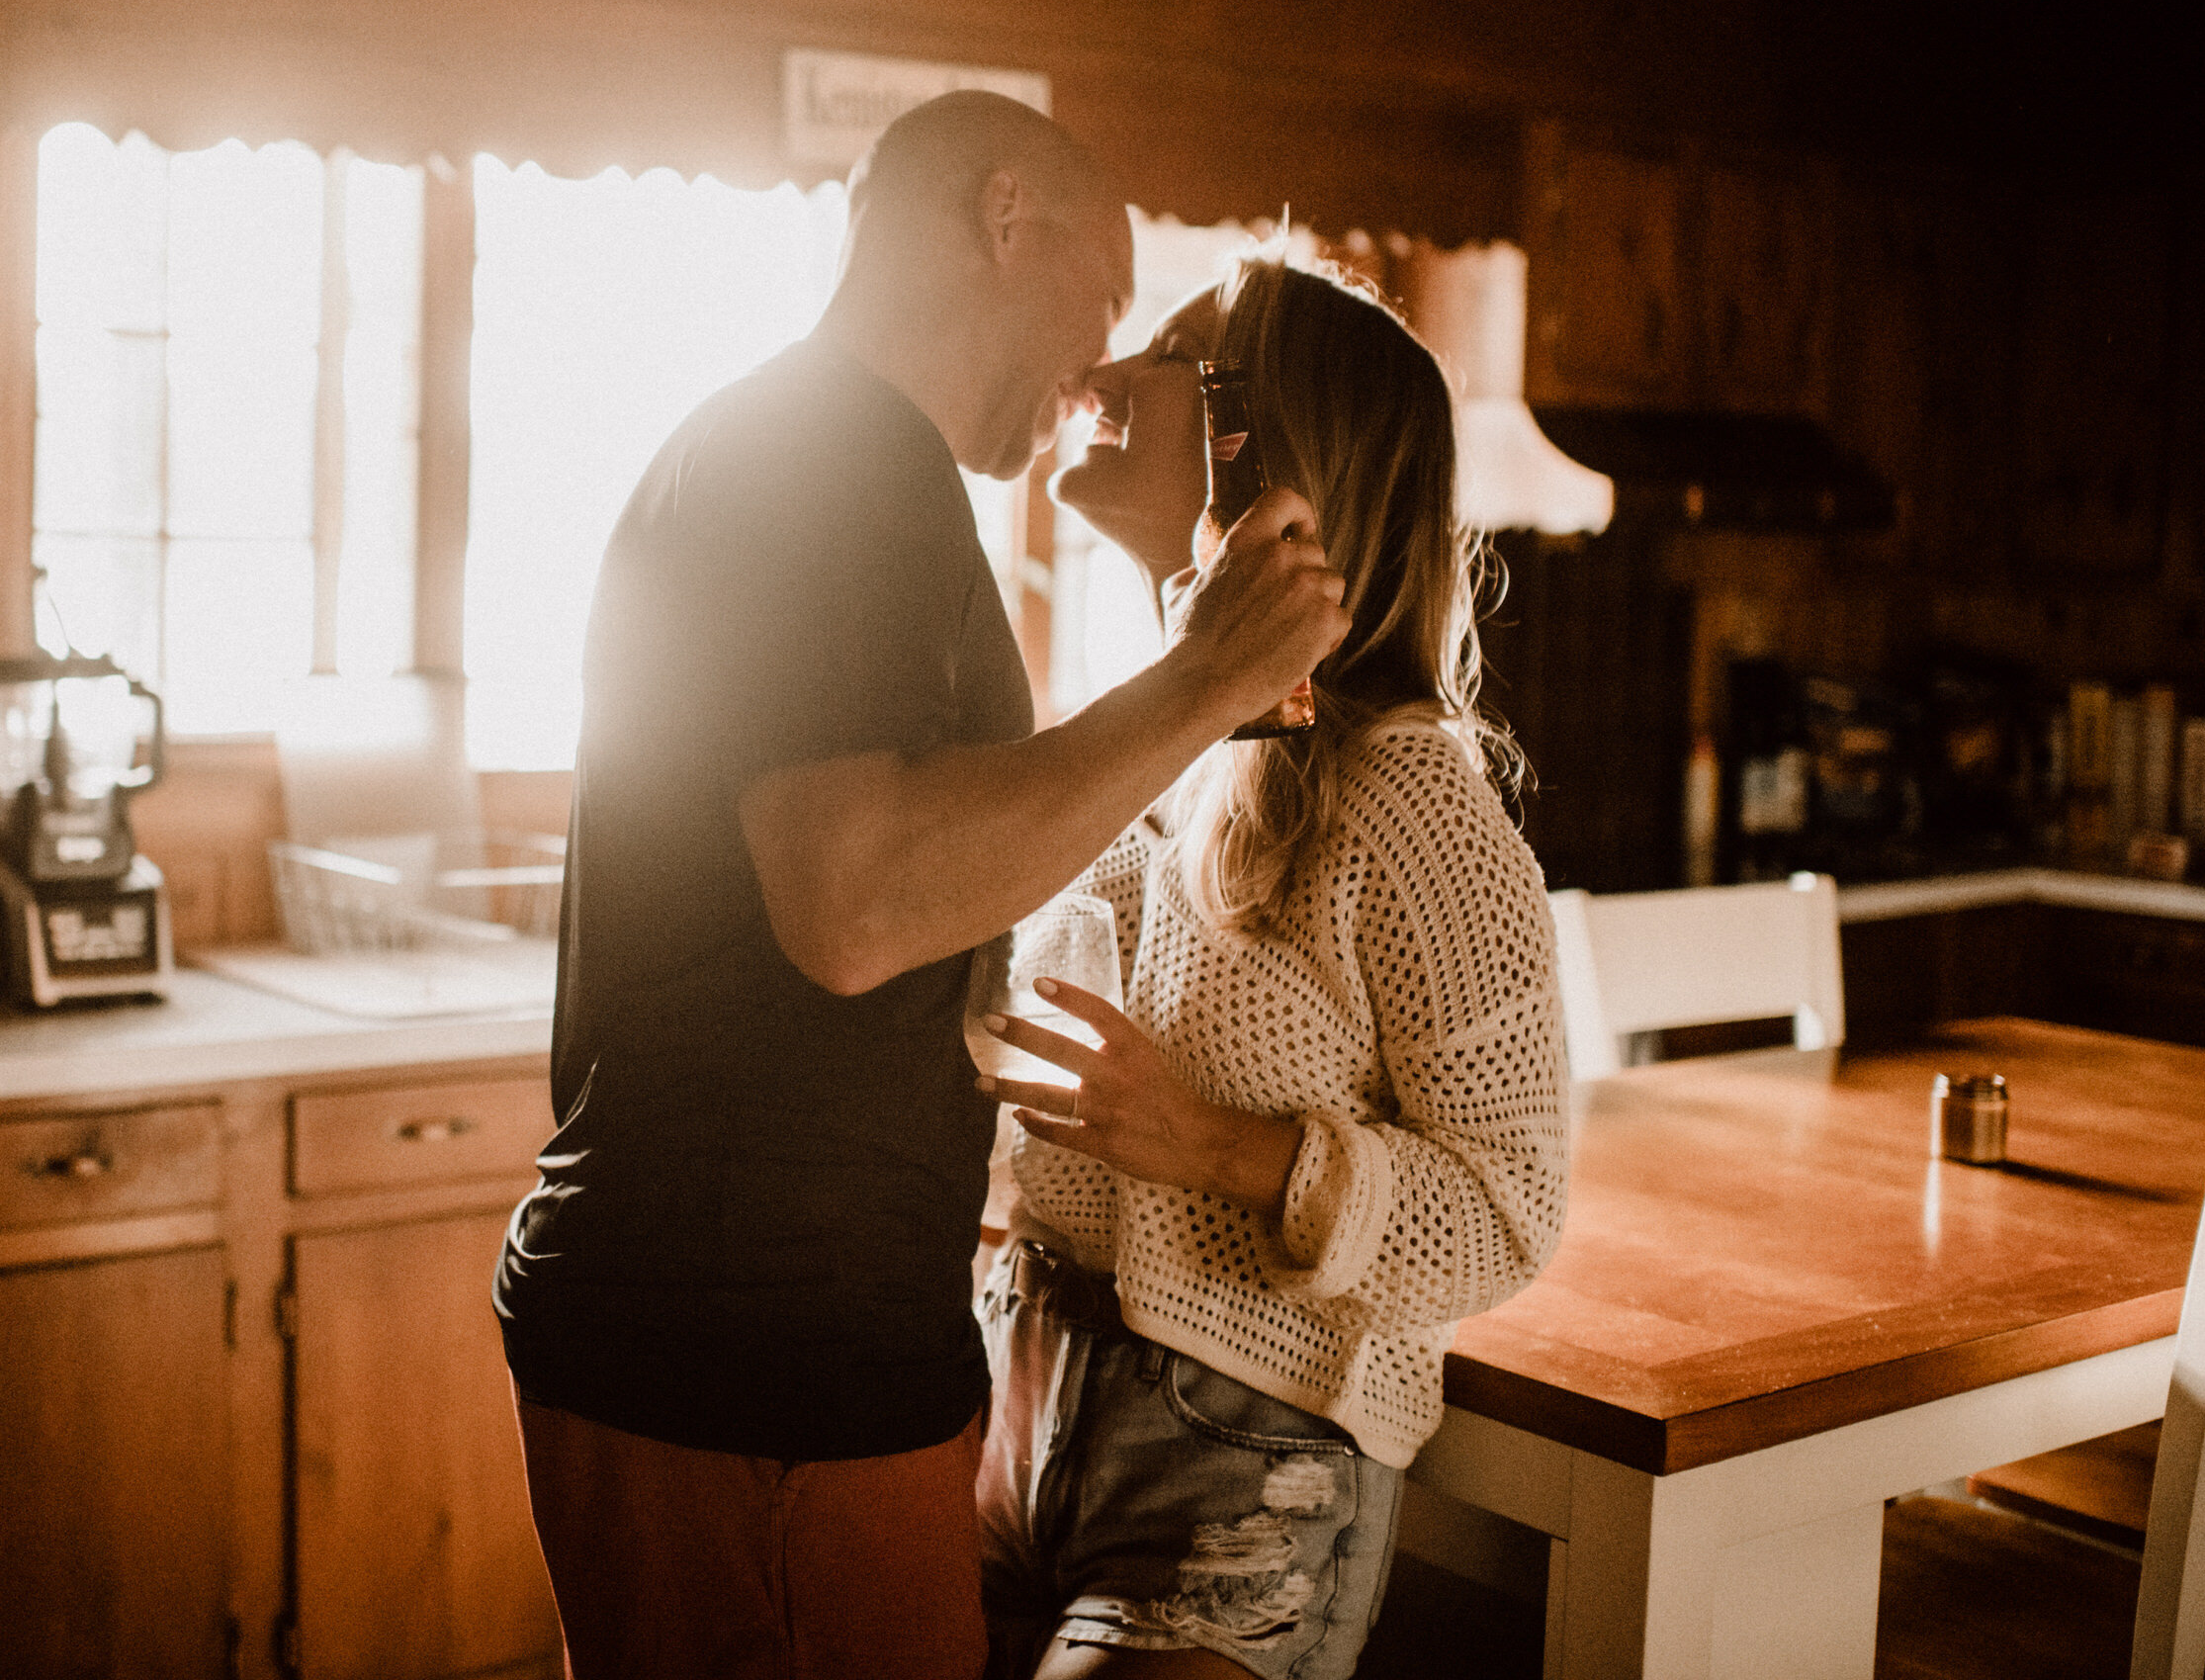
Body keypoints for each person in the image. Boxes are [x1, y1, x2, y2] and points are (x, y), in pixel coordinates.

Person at [491, 93, 1352, 1680]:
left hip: (736, 1329)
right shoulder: (835, 459)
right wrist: (1203, 680)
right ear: (1000, 215)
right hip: (751, 1353)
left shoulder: (807, 453)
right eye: (1100, 301)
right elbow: (854, 906)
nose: (1097, 372)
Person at [975, 254, 1571, 1680]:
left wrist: (1206, 1145)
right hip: (1005, 1419)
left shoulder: (1412, 807)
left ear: (1271, 449)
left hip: (1238, 1481)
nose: (1095, 382)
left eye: (1169, 353)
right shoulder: (1130, 751)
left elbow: (1509, 1214)